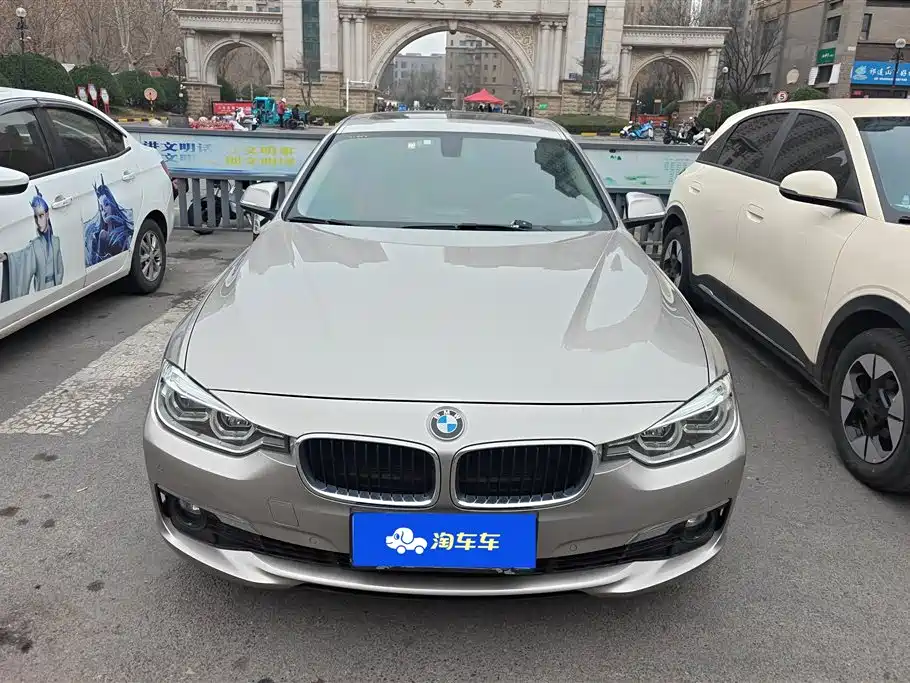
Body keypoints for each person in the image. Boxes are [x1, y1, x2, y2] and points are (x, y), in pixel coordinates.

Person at [0, 188, 64, 302]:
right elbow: (23, 257)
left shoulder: (56, 241)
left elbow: (60, 268)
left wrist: (58, 284)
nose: (38, 221)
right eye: (35, 217)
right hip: (42, 289)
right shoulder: (35, 245)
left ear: (47, 215)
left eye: (41, 215)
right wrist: (7, 257)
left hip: (56, 286)